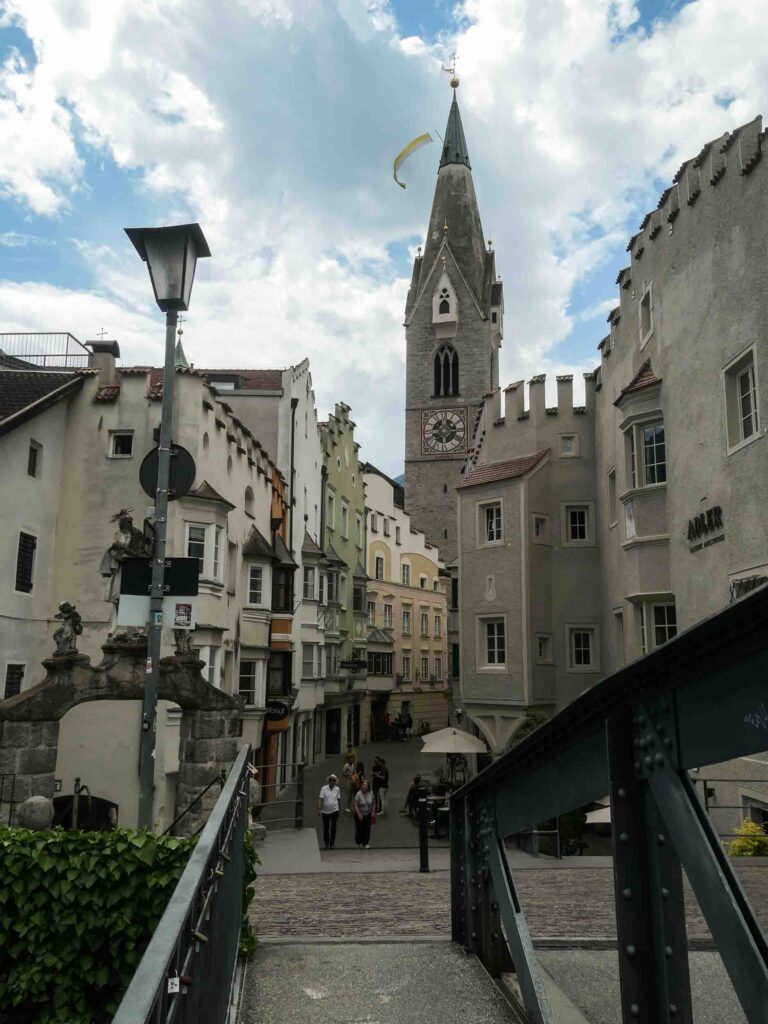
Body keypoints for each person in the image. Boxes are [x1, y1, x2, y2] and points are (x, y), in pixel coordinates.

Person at [317, 773, 342, 849]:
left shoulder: (337, 789)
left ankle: (332, 844)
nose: (332, 781)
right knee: (326, 828)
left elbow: (338, 799)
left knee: (333, 828)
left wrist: (339, 810)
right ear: (328, 780)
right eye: (330, 779)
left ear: (335, 781)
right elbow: (320, 799)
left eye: (333, 780)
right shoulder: (324, 788)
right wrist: (319, 809)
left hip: (335, 810)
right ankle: (326, 843)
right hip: (325, 811)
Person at [354, 779, 376, 848]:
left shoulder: (371, 793)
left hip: (368, 814)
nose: (363, 786)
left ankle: (366, 843)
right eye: (363, 785)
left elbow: (374, 802)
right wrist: (359, 814)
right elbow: (355, 804)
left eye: (365, 785)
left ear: (368, 787)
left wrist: (373, 812)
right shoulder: (358, 794)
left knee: (367, 829)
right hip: (359, 814)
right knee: (359, 829)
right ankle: (359, 842)